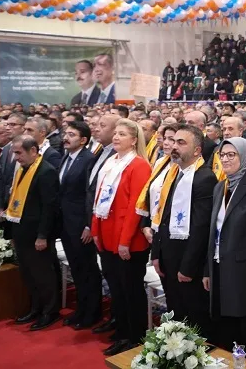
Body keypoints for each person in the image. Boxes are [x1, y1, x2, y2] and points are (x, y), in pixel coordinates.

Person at [203, 138, 246, 368]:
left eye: (232, 154)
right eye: (223, 155)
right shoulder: (219, 186)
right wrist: (208, 270)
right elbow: (213, 233)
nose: (225, 159)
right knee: (228, 331)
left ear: (245, 156)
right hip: (221, 270)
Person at [91, 119, 151, 355]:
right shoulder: (110, 162)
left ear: (134, 140)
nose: (116, 137)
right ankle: (122, 328)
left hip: (128, 240)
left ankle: (134, 335)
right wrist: (95, 230)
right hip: (106, 235)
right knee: (116, 288)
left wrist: (125, 241)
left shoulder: (139, 166)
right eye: (115, 133)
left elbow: (136, 208)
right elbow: (98, 200)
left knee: (130, 290)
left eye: (122, 134)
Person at [151, 125, 218, 333]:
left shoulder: (204, 178)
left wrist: (187, 267)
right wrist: (156, 252)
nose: (174, 147)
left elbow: (201, 228)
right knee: (175, 314)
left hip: (189, 264)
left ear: (197, 150)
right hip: (168, 257)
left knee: (194, 319)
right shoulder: (175, 173)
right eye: (174, 142)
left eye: (182, 143)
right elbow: (161, 215)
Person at [6, 135, 61, 330]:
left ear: (33, 151)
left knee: (43, 275)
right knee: (29, 274)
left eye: (19, 153)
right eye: (14, 153)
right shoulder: (23, 169)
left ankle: (50, 311)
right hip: (22, 231)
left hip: (37, 234)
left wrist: (43, 236)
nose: (16, 157)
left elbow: (49, 208)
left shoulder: (46, 171)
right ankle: (36, 308)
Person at [58, 121, 103, 329]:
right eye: (65, 133)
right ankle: (81, 309)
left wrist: (88, 225)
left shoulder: (88, 160)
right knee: (76, 268)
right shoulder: (66, 157)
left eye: (72, 135)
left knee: (88, 269)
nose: (66, 137)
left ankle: (92, 313)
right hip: (66, 223)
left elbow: (90, 194)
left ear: (83, 140)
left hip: (81, 224)